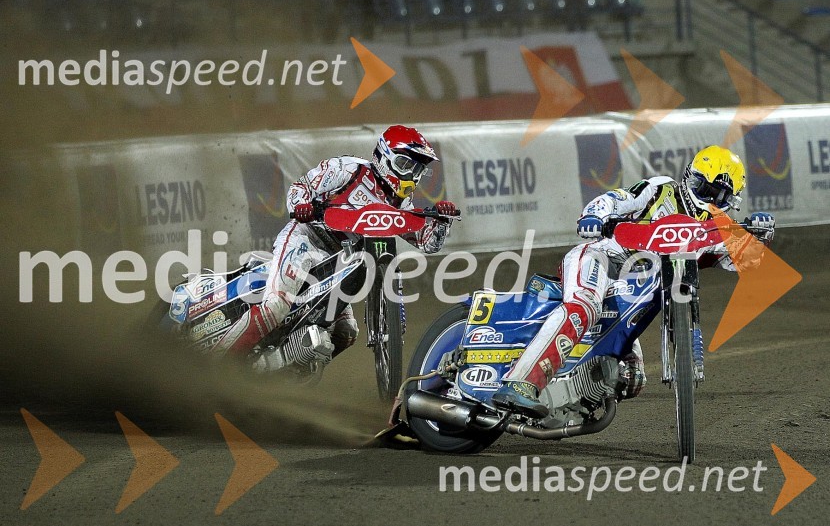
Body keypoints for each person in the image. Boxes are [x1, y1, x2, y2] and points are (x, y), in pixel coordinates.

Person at [492, 145, 776, 418]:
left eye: (721, 197)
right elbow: (617, 198)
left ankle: (573, 399)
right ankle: (522, 382)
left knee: (632, 379)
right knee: (584, 306)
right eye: (707, 190)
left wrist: (759, 236)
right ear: (690, 178)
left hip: (630, 290)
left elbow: (743, 261)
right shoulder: (662, 188)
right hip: (602, 256)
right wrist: (594, 215)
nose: (712, 200)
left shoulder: (718, 227)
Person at [214, 125, 457, 369]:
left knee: (346, 331)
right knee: (275, 308)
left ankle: (280, 368)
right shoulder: (349, 169)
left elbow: (426, 242)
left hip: (339, 262)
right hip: (306, 239)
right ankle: (216, 365)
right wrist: (303, 206)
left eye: (417, 169)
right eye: (407, 165)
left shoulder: (400, 202)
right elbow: (301, 187)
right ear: (385, 157)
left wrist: (441, 221)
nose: (412, 175)